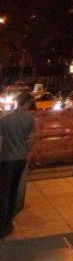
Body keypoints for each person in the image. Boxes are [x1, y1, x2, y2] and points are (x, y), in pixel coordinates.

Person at [0, 90, 35, 237]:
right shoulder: (30, 119)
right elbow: (31, 139)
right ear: (27, 102)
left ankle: (2, 224)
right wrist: (25, 152)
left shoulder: (5, 119)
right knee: (13, 190)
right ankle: (8, 222)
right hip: (20, 159)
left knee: (4, 191)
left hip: (6, 159)